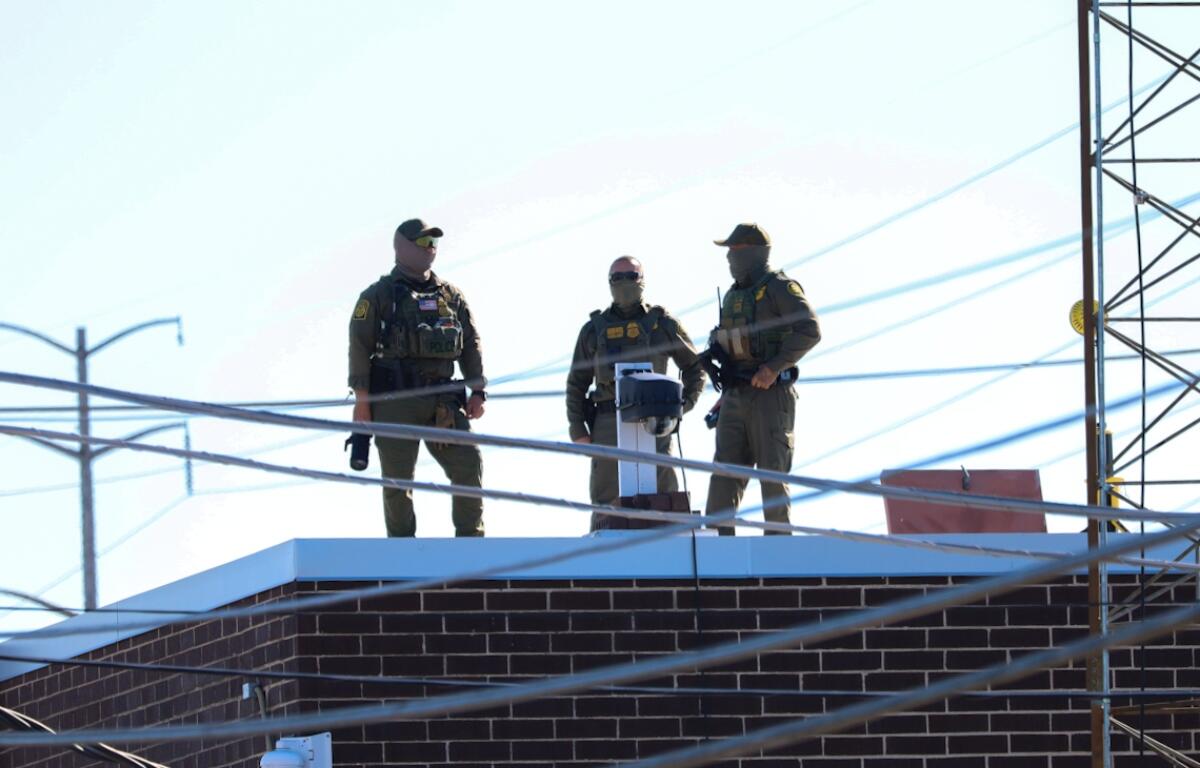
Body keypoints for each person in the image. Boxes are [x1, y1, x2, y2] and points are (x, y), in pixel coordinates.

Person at [348, 218, 487, 537]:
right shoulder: (379, 295)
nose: (431, 248)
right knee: (398, 481)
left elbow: (471, 343)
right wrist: (362, 402)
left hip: (444, 400)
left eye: (433, 243)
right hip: (396, 401)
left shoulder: (451, 295)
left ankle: (471, 543)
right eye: (423, 243)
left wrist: (478, 390)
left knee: (468, 464)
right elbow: (359, 346)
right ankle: (403, 551)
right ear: (401, 247)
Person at [566, 256, 706, 529]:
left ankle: (669, 555)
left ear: (642, 280)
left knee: (664, 492)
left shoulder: (663, 324)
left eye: (631, 276)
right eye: (617, 277)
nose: (624, 283)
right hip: (607, 419)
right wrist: (578, 429)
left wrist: (681, 406)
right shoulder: (593, 330)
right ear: (609, 283)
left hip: (655, 419)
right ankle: (605, 563)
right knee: (607, 500)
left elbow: (695, 367)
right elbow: (576, 382)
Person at [702, 223, 821, 535]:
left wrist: (773, 367)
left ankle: (778, 554)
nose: (729, 257)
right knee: (724, 474)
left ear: (754, 252)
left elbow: (810, 329)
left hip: (770, 394)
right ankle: (717, 548)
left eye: (734, 250)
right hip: (735, 394)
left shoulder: (779, 287)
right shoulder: (733, 295)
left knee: (772, 474)